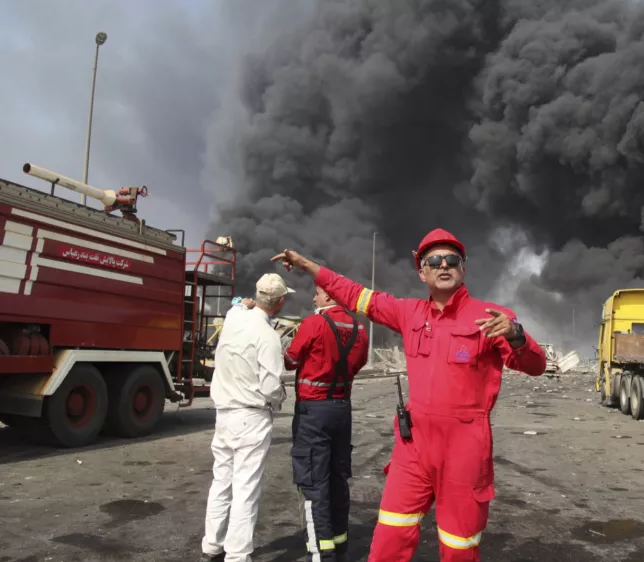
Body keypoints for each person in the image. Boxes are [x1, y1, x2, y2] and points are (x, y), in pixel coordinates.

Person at [271, 228, 547, 562]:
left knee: (459, 548)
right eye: (433, 261)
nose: (443, 266)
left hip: (464, 450)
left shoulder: (491, 317)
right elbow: (355, 293)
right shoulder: (408, 313)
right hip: (413, 449)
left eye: (451, 260)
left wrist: (517, 336)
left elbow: (534, 366)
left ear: (463, 267)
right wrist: (306, 265)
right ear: (422, 272)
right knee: (388, 539)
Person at [201, 273, 295, 562]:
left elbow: (239, 306)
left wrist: (244, 304)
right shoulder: (268, 336)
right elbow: (269, 387)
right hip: (251, 417)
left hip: (224, 414)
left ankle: (211, 546)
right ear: (279, 303)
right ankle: (237, 555)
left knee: (221, 482)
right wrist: (281, 396)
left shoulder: (233, 318)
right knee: (246, 488)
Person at [283, 284, 370, 561]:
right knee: (337, 477)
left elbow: (290, 360)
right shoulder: (360, 330)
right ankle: (339, 543)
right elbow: (357, 364)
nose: (313, 297)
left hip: (313, 412)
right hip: (342, 409)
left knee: (312, 483)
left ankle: (321, 551)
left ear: (329, 296)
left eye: (317, 293)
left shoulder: (314, 323)